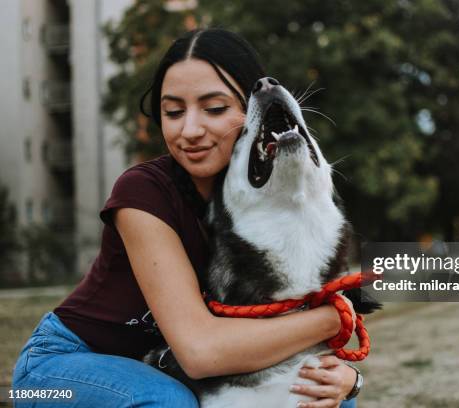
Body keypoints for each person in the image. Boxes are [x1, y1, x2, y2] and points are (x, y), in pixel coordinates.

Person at [11, 28, 361, 408]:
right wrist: (333, 319)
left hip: (158, 364)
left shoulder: (261, 196)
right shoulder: (142, 192)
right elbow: (200, 352)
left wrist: (348, 378)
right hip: (57, 369)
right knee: (167, 402)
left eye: (214, 109)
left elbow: (285, 317)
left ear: (252, 113)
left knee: (324, 394)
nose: (190, 131)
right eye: (173, 112)